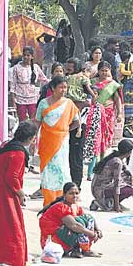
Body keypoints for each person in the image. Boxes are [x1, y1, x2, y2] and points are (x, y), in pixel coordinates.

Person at [0, 121, 37, 266]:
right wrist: (21, 194)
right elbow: (11, 177)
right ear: (32, 138)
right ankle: (11, 262)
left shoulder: (8, 144)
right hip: (2, 193)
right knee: (12, 228)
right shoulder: (18, 153)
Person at [35, 76, 80, 205]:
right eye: (60, 87)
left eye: (65, 87)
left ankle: (63, 201)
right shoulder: (43, 103)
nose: (63, 90)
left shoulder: (69, 104)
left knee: (62, 170)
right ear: (53, 88)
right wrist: (33, 139)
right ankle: (49, 202)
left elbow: (76, 122)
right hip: (46, 142)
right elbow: (37, 122)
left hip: (62, 142)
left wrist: (64, 130)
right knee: (47, 172)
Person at [82, 62, 122, 177]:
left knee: (105, 140)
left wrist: (119, 114)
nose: (104, 73)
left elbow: (117, 99)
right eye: (102, 70)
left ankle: (101, 165)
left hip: (108, 115)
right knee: (95, 139)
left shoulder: (113, 84)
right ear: (98, 71)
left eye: (106, 70)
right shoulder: (92, 83)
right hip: (95, 114)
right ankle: (91, 170)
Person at [90, 138, 133, 212]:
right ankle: (108, 203)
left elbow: (125, 169)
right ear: (129, 152)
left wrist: (131, 176)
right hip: (100, 190)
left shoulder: (116, 157)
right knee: (130, 190)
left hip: (97, 187)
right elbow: (116, 184)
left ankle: (110, 202)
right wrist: (117, 207)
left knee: (128, 178)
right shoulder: (117, 162)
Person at [11, 47, 45, 124]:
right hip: (20, 98)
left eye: (28, 55)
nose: (26, 57)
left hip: (33, 98)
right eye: (24, 55)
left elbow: (44, 79)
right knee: (22, 120)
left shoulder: (36, 67)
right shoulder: (16, 68)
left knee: (34, 120)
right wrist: (13, 99)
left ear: (32, 56)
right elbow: (13, 84)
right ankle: (23, 135)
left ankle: (34, 136)